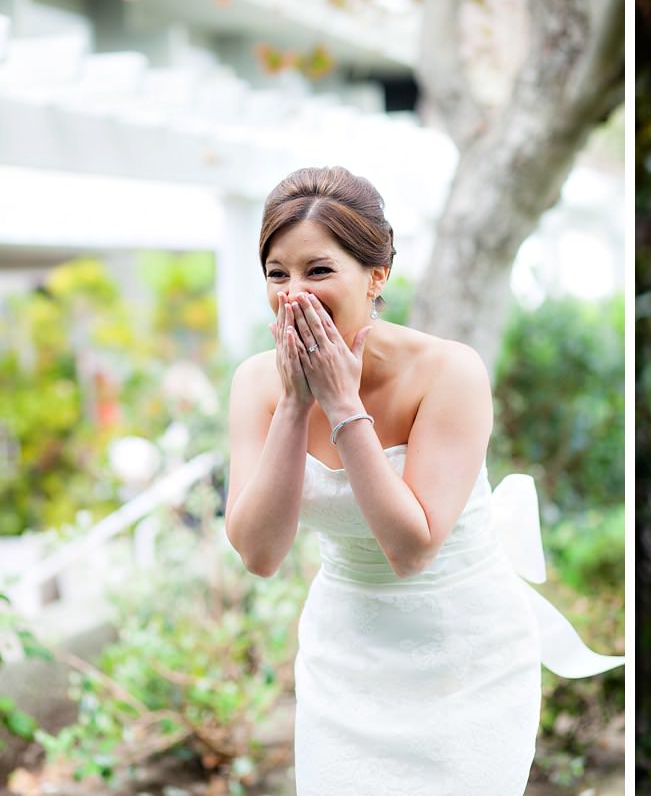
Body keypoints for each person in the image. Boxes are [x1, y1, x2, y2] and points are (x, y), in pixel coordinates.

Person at [225, 166, 621, 795]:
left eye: (318, 270)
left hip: (463, 659)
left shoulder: (449, 372)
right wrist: (298, 405)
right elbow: (259, 554)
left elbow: (411, 550)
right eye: (278, 274)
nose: (294, 293)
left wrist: (343, 403)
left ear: (376, 276)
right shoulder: (256, 384)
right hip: (344, 659)